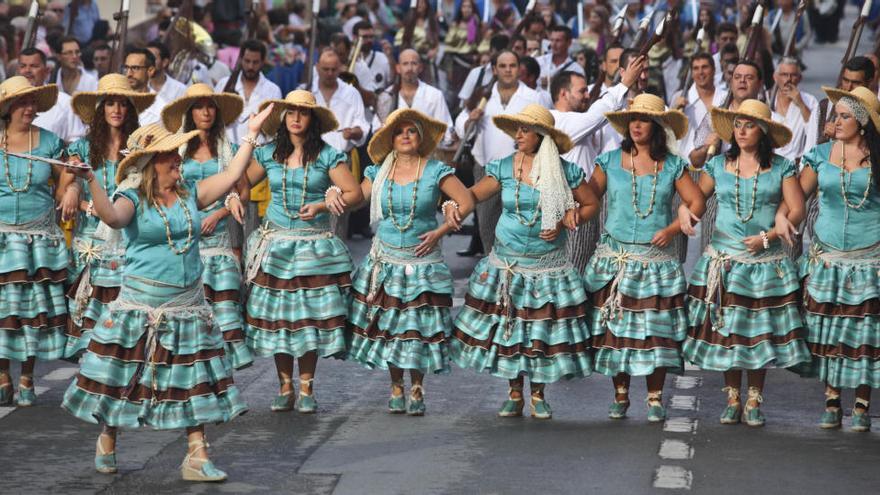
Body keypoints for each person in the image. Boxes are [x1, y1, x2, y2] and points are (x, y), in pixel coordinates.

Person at [61, 107, 271, 480]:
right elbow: (111, 217)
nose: (178, 160)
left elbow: (234, 174)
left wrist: (252, 132)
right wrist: (91, 179)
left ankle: (197, 454)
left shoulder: (191, 193)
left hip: (187, 307)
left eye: (178, 154)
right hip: (141, 308)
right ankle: (107, 437)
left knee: (193, 382)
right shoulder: (131, 197)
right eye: (171, 156)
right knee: (123, 379)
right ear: (151, 163)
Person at [448, 104, 594, 419]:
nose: (518, 135)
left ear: (542, 135)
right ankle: (514, 392)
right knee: (510, 330)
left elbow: (591, 202)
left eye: (525, 130)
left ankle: (538, 395)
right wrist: (453, 203)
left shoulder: (565, 170)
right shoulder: (503, 167)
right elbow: (473, 195)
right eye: (518, 130)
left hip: (546, 265)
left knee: (540, 329)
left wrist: (571, 215)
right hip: (507, 263)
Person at [680, 99, 809, 427]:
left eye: (749, 125)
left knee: (757, 334)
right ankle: (732, 398)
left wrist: (767, 237)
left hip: (764, 262)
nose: (741, 131)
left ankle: (754, 398)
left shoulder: (781, 167)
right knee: (729, 331)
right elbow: (696, 199)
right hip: (724, 260)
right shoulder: (718, 165)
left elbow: (797, 209)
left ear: (763, 131)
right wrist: (685, 212)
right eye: (737, 125)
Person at [582, 94, 705, 422]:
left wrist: (674, 227)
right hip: (617, 258)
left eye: (644, 120)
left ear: (657, 126)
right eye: (632, 120)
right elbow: (588, 197)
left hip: (655, 262)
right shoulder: (608, 161)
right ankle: (620, 395)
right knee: (618, 332)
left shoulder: (674, 166)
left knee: (655, 333)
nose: (637, 125)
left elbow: (697, 202)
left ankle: (654, 398)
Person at [244, 90, 363, 413]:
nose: (296, 118)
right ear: (283, 117)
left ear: (313, 120)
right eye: (291, 112)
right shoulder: (269, 153)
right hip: (276, 244)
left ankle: (307, 386)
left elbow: (355, 194)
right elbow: (240, 183)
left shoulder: (327, 154)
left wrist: (327, 201)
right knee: (280, 318)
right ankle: (285, 386)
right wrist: (229, 194)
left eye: (303, 113)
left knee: (308, 319)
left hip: (314, 246)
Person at [348, 109, 473, 414]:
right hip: (386, 260)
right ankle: (395, 386)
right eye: (400, 131)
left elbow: (466, 201)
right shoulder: (377, 171)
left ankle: (417, 387)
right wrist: (327, 196)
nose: (406, 136)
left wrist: (440, 230)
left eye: (412, 131)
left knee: (416, 330)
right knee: (391, 327)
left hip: (423, 262)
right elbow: (355, 199)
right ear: (391, 139)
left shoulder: (435, 171)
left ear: (420, 139)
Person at [780, 87, 880, 432]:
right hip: (828, 256)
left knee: (863, 331)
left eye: (844, 116)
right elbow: (798, 198)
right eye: (834, 115)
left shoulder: (877, 158)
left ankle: (863, 404)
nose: (835, 121)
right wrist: (781, 220)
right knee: (830, 328)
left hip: (870, 257)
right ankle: (832, 398)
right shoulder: (820, 155)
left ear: (863, 123)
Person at [60, 74, 155, 357]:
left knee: (127, 315)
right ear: (101, 109)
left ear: (130, 110)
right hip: (93, 242)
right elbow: (65, 191)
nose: (116, 110)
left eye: (123, 104)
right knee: (92, 316)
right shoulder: (82, 148)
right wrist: (75, 192)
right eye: (110, 103)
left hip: (131, 241)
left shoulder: (140, 150)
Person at [160, 83, 252, 370]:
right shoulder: (175, 150)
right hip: (185, 243)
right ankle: (192, 379)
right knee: (188, 317)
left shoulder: (231, 150)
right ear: (190, 112)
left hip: (220, 242)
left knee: (225, 312)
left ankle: (222, 381)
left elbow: (244, 191)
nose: (206, 111)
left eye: (211, 105)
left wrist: (221, 212)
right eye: (199, 106)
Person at [0, 77, 67, 408]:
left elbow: (67, 175)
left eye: (33, 103)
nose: (29, 109)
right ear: (7, 108)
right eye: (22, 103)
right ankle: (2, 376)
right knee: (4, 311)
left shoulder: (51, 142)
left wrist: (71, 189)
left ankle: (27, 375)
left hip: (37, 239)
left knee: (31, 313)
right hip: (1, 239)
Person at [453, 50, 542, 254]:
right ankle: (492, 268)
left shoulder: (533, 96)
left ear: (519, 68)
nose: (508, 70)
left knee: (522, 222)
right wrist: (470, 120)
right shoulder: (481, 95)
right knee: (487, 224)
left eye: (512, 65)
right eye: (503, 66)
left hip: (522, 168)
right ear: (494, 69)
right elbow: (461, 123)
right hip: (487, 168)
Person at [17, 47, 87, 143]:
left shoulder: (65, 102)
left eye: (34, 66)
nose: (27, 70)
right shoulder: (8, 100)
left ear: (46, 71)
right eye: (23, 66)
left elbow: (77, 140)